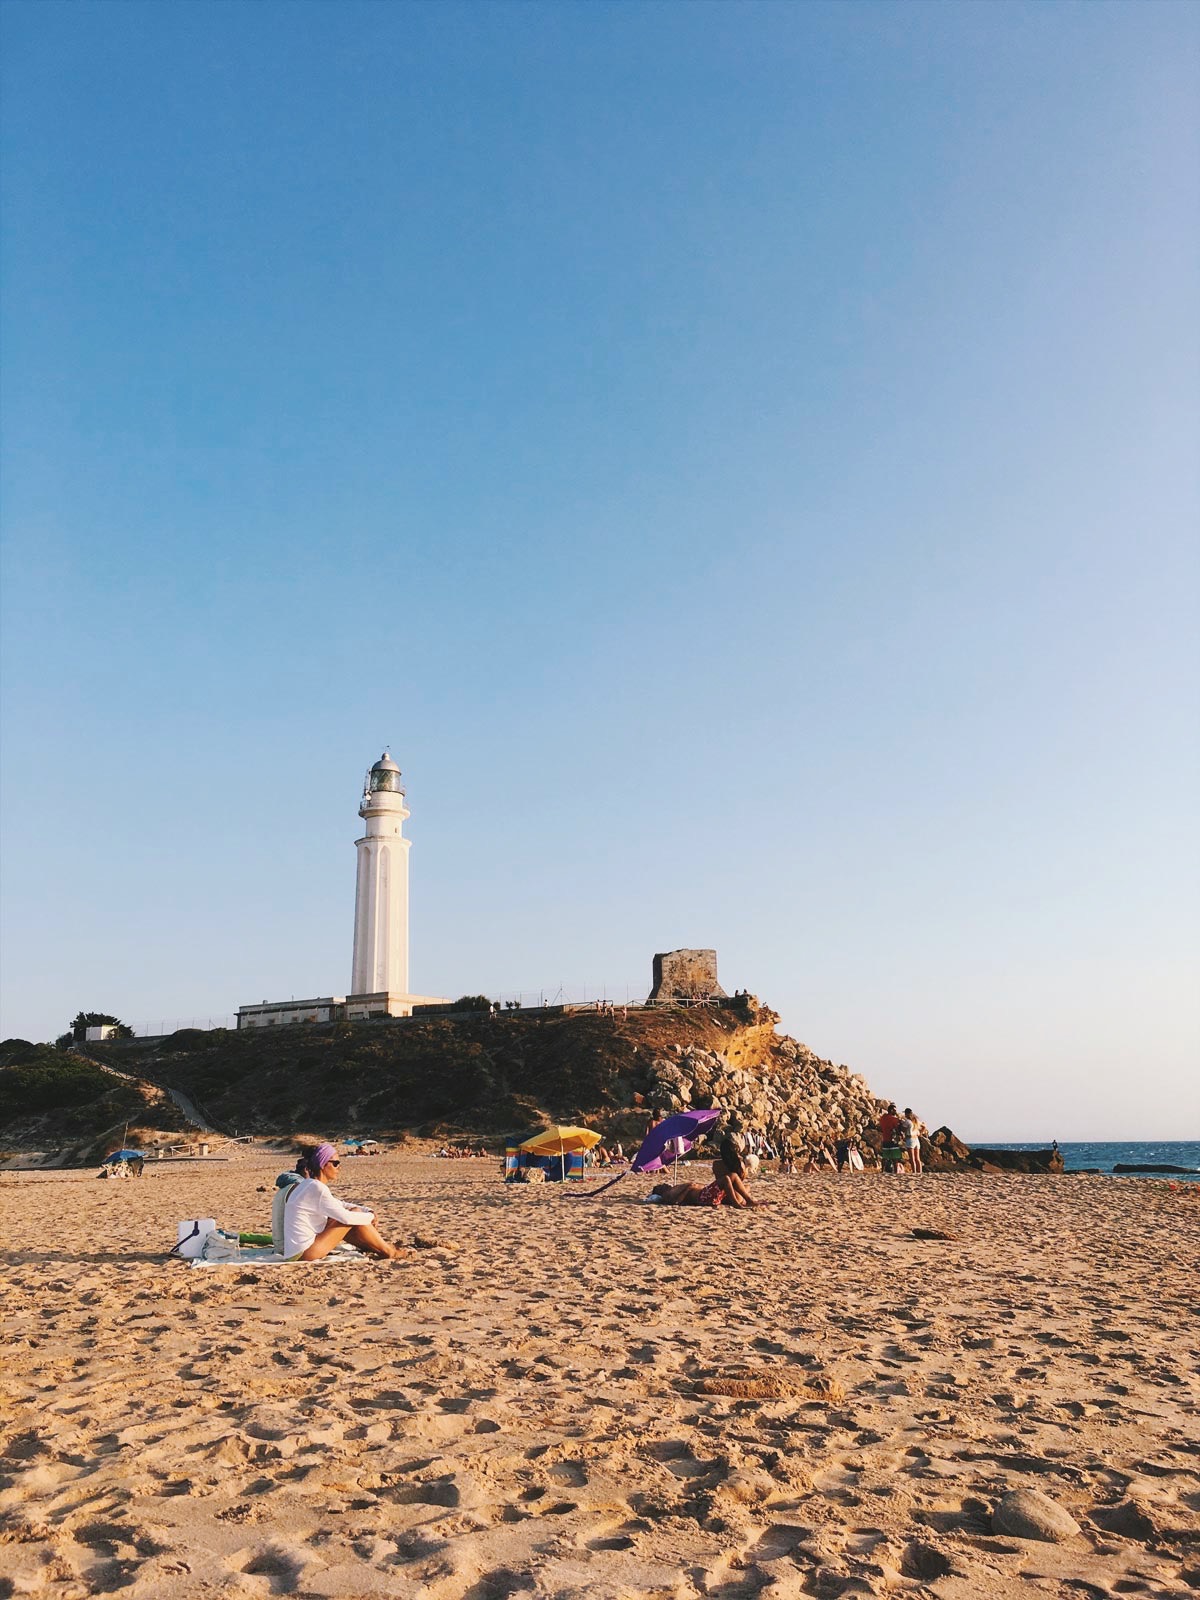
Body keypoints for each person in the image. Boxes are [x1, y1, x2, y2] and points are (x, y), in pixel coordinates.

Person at [283, 1143, 404, 1261]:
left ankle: (377, 1247)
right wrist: (370, 1216)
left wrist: (368, 1210)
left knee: (348, 1215)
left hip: (294, 1251)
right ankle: (389, 1251)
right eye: (336, 1163)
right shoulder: (317, 1188)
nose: (339, 1167)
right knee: (352, 1215)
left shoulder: (306, 1185)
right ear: (323, 1164)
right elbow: (346, 1218)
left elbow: (338, 1204)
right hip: (305, 1252)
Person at [901, 1108, 923, 1175]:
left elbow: (903, 1129)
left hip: (910, 1139)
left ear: (907, 1114)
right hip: (916, 1139)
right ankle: (920, 1172)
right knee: (917, 1158)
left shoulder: (907, 1121)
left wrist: (901, 1123)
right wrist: (920, 1133)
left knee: (912, 1158)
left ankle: (914, 1172)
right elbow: (924, 1126)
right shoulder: (916, 1121)